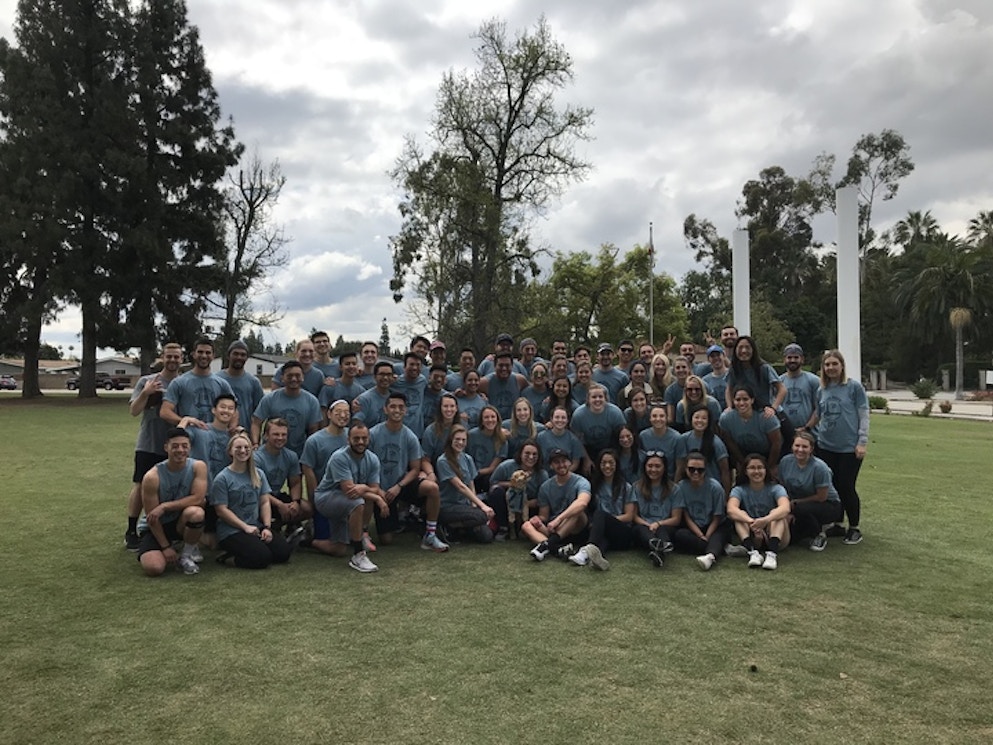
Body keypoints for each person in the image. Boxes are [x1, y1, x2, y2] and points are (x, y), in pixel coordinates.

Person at [368, 393, 449, 551]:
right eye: (393, 406)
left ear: (405, 411)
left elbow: (415, 469)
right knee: (386, 540)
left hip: (401, 484)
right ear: (385, 409)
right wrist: (378, 491)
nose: (397, 410)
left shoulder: (409, 436)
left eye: (400, 407)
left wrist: (399, 486)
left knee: (432, 488)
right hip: (380, 488)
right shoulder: (373, 434)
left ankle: (430, 535)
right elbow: (366, 468)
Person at [124, 342, 183, 551]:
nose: (173, 360)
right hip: (148, 443)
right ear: (162, 357)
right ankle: (131, 530)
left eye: (177, 357)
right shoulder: (147, 381)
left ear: (182, 359)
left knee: (173, 489)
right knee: (141, 486)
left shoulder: (184, 383)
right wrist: (146, 393)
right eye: (169, 356)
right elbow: (134, 411)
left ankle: (167, 530)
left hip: (176, 446)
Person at [311, 421, 389, 573]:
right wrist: (378, 498)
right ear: (348, 440)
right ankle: (358, 554)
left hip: (344, 500)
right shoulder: (339, 457)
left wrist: (366, 488)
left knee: (339, 550)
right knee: (358, 502)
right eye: (356, 438)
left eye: (364, 438)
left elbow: (374, 488)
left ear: (369, 439)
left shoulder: (372, 459)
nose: (360, 442)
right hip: (326, 498)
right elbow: (350, 492)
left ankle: (306, 540)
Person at [810, 349, 869, 545]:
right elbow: (818, 415)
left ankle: (854, 528)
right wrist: (805, 427)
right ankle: (837, 522)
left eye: (834, 364)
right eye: (827, 365)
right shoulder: (822, 390)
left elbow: (863, 414)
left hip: (849, 448)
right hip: (826, 446)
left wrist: (862, 441)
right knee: (832, 486)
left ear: (842, 366)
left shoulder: (853, 387)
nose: (831, 368)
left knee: (846, 486)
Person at [212, 432, 292, 569]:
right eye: (238, 448)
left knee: (283, 553)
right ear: (230, 451)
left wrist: (267, 527)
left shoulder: (258, 474)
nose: (243, 451)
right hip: (232, 531)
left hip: (255, 526)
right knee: (261, 558)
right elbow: (221, 510)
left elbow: (265, 502)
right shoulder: (222, 478)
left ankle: (253, 548)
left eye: (246, 448)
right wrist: (245, 527)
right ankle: (227, 558)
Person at [136, 427, 207, 577]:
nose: (180, 450)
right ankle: (169, 546)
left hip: (180, 521)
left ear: (190, 447)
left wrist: (165, 506)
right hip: (156, 526)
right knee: (154, 568)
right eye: (175, 446)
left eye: (184, 446)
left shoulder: (198, 467)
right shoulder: (152, 477)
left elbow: (198, 498)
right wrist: (165, 546)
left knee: (197, 512)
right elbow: (152, 517)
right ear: (166, 448)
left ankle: (186, 555)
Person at [568, 449, 636, 570]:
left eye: (611, 462)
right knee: (602, 540)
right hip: (601, 532)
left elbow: (629, 516)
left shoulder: (626, 487)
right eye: (603, 463)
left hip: (622, 533)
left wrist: (605, 522)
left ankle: (585, 551)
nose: (607, 466)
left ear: (616, 465)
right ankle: (595, 559)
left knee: (600, 515)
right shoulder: (593, 485)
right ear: (599, 465)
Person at [521, 449, 591, 561]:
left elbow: (582, 503)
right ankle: (558, 549)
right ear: (551, 466)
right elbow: (544, 515)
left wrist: (559, 519)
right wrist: (538, 520)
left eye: (564, 461)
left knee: (577, 511)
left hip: (576, 527)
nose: (561, 465)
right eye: (557, 462)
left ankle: (546, 545)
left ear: (570, 463)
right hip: (554, 529)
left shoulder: (581, 481)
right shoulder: (545, 487)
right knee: (526, 525)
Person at [779, 431, 843, 551]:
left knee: (799, 508)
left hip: (828, 504)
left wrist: (794, 504)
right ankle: (807, 530)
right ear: (792, 446)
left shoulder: (820, 467)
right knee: (791, 539)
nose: (800, 450)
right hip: (797, 503)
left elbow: (821, 497)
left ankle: (820, 533)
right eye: (797, 446)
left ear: (811, 449)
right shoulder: (785, 462)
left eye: (804, 446)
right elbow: (783, 487)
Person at [727, 453, 791, 570]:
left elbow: (785, 508)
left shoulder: (776, 488)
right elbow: (731, 509)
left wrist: (765, 520)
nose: (756, 471)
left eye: (760, 467)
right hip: (753, 533)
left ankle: (772, 554)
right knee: (739, 516)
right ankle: (753, 553)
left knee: (777, 515)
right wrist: (752, 522)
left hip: (775, 535)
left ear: (766, 470)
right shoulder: (739, 490)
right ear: (745, 471)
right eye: (752, 468)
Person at [672, 450, 731, 571]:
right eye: (691, 469)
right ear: (686, 469)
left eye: (700, 470)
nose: (695, 473)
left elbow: (717, 517)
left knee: (718, 535)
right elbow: (686, 515)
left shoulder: (715, 487)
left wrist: (707, 535)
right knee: (679, 535)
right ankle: (718, 549)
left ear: (706, 470)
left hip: (714, 525)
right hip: (693, 527)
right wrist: (700, 535)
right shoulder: (681, 486)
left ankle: (711, 556)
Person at [436, 425, 495, 542]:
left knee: (487, 536)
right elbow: (460, 486)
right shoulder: (443, 461)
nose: (460, 443)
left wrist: (473, 505)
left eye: (463, 440)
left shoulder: (467, 458)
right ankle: (448, 526)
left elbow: (470, 484)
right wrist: (482, 506)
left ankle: (460, 530)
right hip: (448, 506)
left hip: (465, 505)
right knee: (481, 516)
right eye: (457, 439)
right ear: (450, 440)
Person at [160, 337, 236, 428]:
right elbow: (165, 412)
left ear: (213, 356)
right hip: (188, 437)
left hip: (214, 437)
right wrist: (186, 421)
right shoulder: (179, 382)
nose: (204, 356)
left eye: (208, 353)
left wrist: (232, 429)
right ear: (193, 354)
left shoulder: (222, 384)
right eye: (200, 352)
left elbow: (235, 411)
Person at [251, 360, 322, 457]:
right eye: (289, 376)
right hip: (271, 452)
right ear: (282, 378)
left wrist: (309, 454)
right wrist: (255, 444)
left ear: (303, 377)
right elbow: (256, 423)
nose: (293, 379)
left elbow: (313, 430)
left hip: (299, 454)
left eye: (297, 375)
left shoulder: (312, 401)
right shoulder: (270, 399)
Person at [253, 418, 308, 537]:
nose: (280, 438)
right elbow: (258, 490)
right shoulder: (257, 458)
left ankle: (284, 526)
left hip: (276, 495)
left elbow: (295, 483)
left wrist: (295, 502)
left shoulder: (291, 456)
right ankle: (267, 526)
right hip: (259, 498)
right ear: (266, 436)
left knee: (306, 508)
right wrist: (280, 505)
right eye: (276, 434)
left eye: (284, 435)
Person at [719, 384, 782, 481]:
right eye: (738, 400)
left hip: (767, 454)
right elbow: (729, 442)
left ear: (752, 400)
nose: (741, 403)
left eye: (745, 399)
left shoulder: (766, 418)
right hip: (743, 454)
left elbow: (777, 443)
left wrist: (769, 467)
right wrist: (742, 463)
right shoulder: (726, 418)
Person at [487, 440, 548, 539]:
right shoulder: (506, 466)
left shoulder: (542, 474)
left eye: (534, 454)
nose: (531, 457)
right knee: (496, 491)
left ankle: (523, 528)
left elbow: (543, 498)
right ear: (520, 454)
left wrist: (524, 504)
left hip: (529, 506)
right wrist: (513, 484)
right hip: (507, 503)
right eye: (527, 453)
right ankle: (503, 528)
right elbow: (493, 483)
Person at [631, 451, 681, 568]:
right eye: (650, 466)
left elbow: (676, 518)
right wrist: (649, 525)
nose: (653, 469)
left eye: (658, 466)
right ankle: (659, 546)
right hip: (643, 526)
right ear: (644, 467)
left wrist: (658, 524)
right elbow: (634, 516)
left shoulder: (674, 489)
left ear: (664, 468)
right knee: (640, 530)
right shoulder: (636, 487)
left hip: (665, 525)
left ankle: (659, 550)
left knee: (663, 530)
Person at [675, 407, 731, 494]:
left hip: (710, 488)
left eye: (704, 418)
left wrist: (726, 496)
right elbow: (680, 467)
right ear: (691, 419)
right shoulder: (683, 439)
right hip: (690, 486)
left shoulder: (715, 442)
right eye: (697, 417)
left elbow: (725, 471)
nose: (700, 420)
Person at [217, 340, 264, 440]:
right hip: (219, 434)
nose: (239, 357)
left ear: (247, 358)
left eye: (243, 355)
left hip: (245, 436)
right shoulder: (217, 379)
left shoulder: (254, 382)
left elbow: (259, 414)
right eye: (236, 354)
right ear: (228, 356)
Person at [570, 384, 626, 465]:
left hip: (610, 446)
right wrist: (586, 460)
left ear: (605, 398)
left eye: (600, 396)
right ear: (588, 399)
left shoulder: (615, 412)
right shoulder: (578, 415)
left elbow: (622, 435)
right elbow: (576, 440)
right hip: (588, 449)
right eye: (594, 397)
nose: (597, 399)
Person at [779, 343, 821, 433]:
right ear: (784, 360)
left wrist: (807, 428)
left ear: (802, 359)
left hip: (810, 434)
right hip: (785, 434)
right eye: (789, 357)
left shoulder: (814, 381)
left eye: (796, 357)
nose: (792, 360)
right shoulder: (778, 382)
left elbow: (819, 408)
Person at [467, 404, 508, 492]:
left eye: (493, 417)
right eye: (486, 417)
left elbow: (492, 468)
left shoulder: (502, 440)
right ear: (481, 420)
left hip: (486, 475)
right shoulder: (471, 435)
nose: (490, 420)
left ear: (497, 419)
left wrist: (476, 473)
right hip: (468, 473)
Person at [537, 406, 587, 473]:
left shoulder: (574, 440)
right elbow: (538, 460)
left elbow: (575, 464)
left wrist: (563, 474)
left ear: (567, 420)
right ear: (551, 419)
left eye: (563, 418)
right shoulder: (541, 437)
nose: (560, 420)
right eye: (557, 417)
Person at [421, 393, 460, 478]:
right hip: (436, 470)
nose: (449, 409)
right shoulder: (430, 431)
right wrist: (431, 474)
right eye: (445, 406)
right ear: (440, 409)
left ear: (456, 408)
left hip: (458, 470)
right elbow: (425, 460)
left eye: (452, 406)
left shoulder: (462, 427)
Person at [479, 351, 527, 420]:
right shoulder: (485, 382)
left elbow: (533, 390)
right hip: (493, 423)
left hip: (514, 423)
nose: (504, 368)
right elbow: (470, 393)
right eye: (501, 365)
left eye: (507, 365)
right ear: (495, 366)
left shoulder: (520, 380)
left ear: (512, 366)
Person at [391, 352, 428, 437]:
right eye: (411, 364)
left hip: (417, 433)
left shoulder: (422, 381)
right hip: (398, 432)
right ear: (404, 366)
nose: (415, 368)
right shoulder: (395, 382)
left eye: (418, 365)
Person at [638, 405, 680, 475]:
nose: (658, 419)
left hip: (668, 478)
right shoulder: (643, 436)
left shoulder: (676, 437)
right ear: (650, 419)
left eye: (661, 416)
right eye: (654, 416)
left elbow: (679, 466)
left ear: (666, 418)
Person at [352, 361, 396, 429]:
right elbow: (357, 422)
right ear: (374, 377)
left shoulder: (395, 398)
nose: (385, 378)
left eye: (389, 374)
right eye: (382, 374)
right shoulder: (364, 399)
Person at [663, 357, 691, 427]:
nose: (681, 370)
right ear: (674, 371)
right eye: (678, 368)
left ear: (689, 369)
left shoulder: (700, 385)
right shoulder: (670, 390)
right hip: (679, 425)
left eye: (684, 367)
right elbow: (670, 418)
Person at [702, 345, 730, 411]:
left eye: (718, 355)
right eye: (712, 356)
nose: (716, 358)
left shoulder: (733, 375)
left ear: (723, 356)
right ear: (708, 359)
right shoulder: (704, 381)